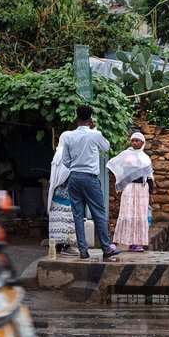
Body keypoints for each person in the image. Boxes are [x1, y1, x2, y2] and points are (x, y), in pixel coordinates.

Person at [61, 104, 120, 261]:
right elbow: (106, 147)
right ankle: (106, 249)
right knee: (99, 214)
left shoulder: (69, 136)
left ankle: (83, 251)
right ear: (90, 119)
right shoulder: (95, 134)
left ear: (76, 118)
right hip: (90, 178)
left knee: (78, 215)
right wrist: (94, 130)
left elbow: (65, 161)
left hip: (74, 177)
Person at [107, 132, 154, 252]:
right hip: (129, 187)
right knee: (125, 213)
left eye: (137, 140)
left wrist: (151, 191)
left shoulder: (145, 158)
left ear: (143, 143)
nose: (134, 143)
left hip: (142, 189)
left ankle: (136, 243)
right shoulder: (126, 154)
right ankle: (115, 242)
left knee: (140, 215)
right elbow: (117, 165)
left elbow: (149, 176)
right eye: (133, 140)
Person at [46, 131, 77, 254]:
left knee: (58, 219)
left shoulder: (58, 153)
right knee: (66, 219)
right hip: (64, 191)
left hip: (58, 192)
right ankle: (66, 245)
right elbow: (64, 173)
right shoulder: (64, 153)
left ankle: (58, 245)